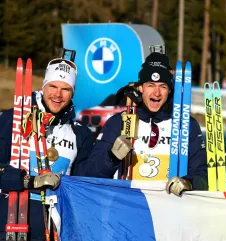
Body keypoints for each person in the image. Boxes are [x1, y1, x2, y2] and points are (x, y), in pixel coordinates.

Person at [0, 56, 93, 241]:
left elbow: (86, 183)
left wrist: (112, 158)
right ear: (43, 87)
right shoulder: (12, 120)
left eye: (65, 89)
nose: (58, 94)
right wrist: (26, 181)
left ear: (72, 93)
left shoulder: (79, 134)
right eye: (53, 86)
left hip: (54, 236)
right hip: (11, 228)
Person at [81, 52, 208, 195]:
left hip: (169, 209)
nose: (157, 93)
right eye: (151, 85)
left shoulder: (185, 124)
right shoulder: (119, 122)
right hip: (127, 207)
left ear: (170, 90)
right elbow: (89, 173)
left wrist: (189, 182)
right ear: (141, 88)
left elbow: (203, 174)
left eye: (163, 86)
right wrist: (111, 158)